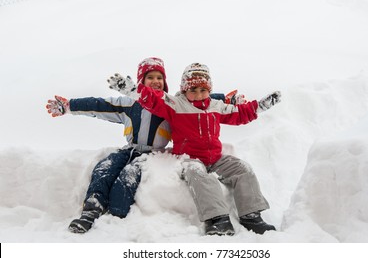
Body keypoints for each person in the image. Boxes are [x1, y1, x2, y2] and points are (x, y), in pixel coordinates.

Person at [46, 58, 246, 233]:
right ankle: (91, 210)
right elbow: (98, 104)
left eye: (159, 78)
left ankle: (115, 217)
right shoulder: (128, 104)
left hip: (151, 155)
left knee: (126, 180)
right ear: (140, 81)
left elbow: (201, 97)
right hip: (129, 150)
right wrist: (69, 106)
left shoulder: (173, 104)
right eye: (150, 77)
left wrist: (229, 99)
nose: (155, 81)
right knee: (104, 169)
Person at [133, 62, 281, 236]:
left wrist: (260, 106)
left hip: (215, 158)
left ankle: (251, 216)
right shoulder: (175, 104)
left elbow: (240, 114)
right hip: (188, 158)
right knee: (200, 175)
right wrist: (132, 90)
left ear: (209, 90)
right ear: (184, 89)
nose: (198, 95)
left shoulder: (216, 106)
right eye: (193, 90)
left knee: (243, 169)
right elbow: (153, 99)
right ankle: (218, 219)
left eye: (203, 90)